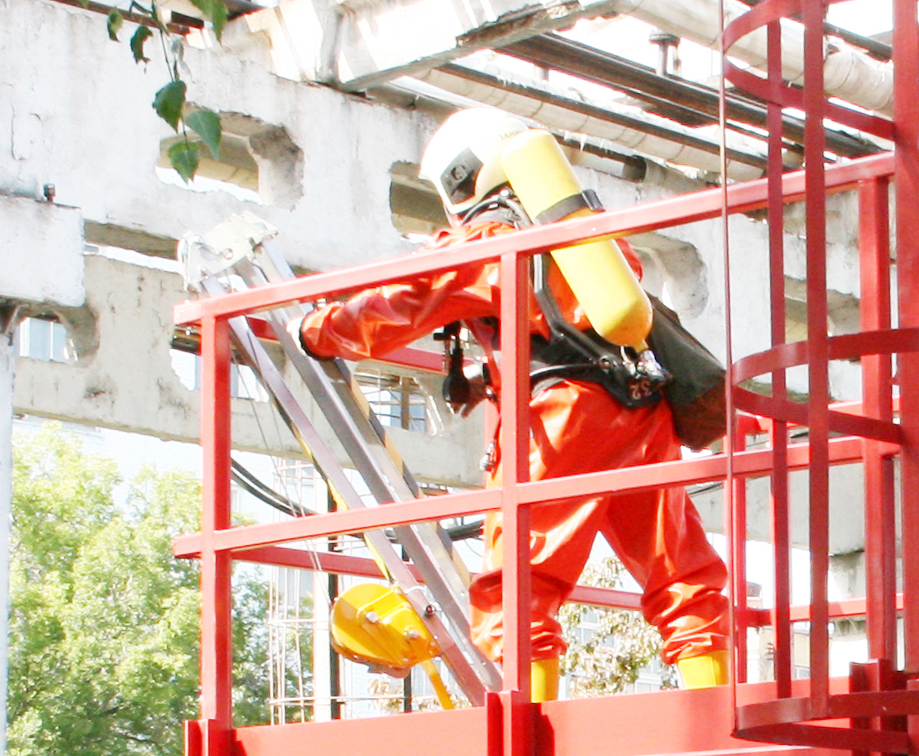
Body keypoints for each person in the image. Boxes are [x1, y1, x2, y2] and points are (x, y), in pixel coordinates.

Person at [298, 108, 732, 702]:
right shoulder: (585, 234)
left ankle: (527, 740)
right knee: (679, 570)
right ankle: (711, 714)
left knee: (518, 586)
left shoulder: (490, 241)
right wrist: (485, 373)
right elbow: (569, 328)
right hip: (639, 407)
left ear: (460, 179)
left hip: (563, 421)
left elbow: (403, 301)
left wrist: (315, 331)